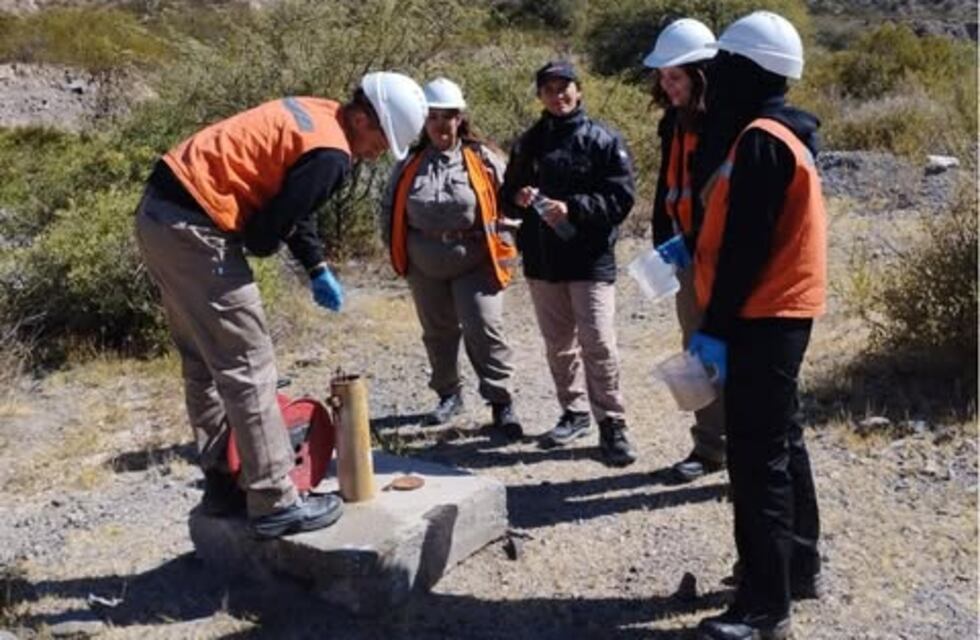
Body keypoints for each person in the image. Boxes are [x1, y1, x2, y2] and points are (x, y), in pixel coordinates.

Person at [134, 72, 428, 539]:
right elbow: (265, 232)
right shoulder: (333, 154)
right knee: (249, 364)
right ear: (360, 117)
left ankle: (224, 482)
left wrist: (315, 266)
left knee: (203, 362)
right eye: (380, 140)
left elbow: (292, 203)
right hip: (197, 231)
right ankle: (274, 499)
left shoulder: (317, 113)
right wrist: (265, 241)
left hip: (159, 216)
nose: (375, 155)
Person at [687, 12, 826, 640]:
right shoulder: (784, 133)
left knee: (755, 456)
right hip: (781, 313)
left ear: (748, 70)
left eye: (723, 66)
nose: (714, 78)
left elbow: (745, 247)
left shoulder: (761, 140)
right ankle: (798, 566)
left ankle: (763, 607)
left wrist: (715, 325)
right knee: (781, 439)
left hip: (760, 316)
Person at [500, 60, 638, 467]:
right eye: (549, 89)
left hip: (590, 258)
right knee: (559, 345)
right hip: (543, 259)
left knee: (598, 343)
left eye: (565, 88)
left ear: (579, 91)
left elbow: (621, 198)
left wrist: (573, 208)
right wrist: (519, 198)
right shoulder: (529, 142)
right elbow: (507, 192)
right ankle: (573, 411)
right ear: (539, 95)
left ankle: (612, 424)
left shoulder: (603, 139)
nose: (558, 96)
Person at [381, 77, 522, 438]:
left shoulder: (484, 159)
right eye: (432, 117)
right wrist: (399, 255)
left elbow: (509, 207)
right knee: (438, 333)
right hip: (423, 264)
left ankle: (500, 402)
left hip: (476, 261)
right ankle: (448, 395)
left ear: (461, 119)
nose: (441, 125)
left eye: (448, 116)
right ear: (422, 122)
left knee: (484, 328)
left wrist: (508, 251)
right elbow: (388, 210)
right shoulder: (408, 163)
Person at [644, 18, 726, 484]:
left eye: (674, 77)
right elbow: (665, 189)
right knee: (697, 353)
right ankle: (710, 448)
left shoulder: (726, 123)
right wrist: (663, 244)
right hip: (685, 256)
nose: (666, 85)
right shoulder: (672, 122)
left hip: (722, 259)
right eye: (663, 76)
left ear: (700, 74)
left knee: (730, 351)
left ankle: (746, 451)